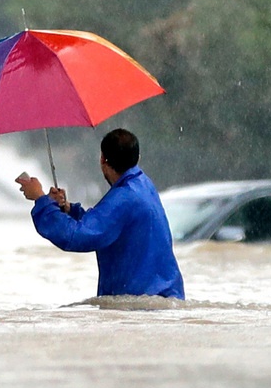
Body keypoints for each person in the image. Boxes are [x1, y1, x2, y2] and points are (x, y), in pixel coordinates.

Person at [16, 128, 184, 299]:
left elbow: (75, 236)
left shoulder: (123, 198)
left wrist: (40, 199)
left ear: (102, 159)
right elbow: (105, 223)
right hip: (167, 296)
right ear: (137, 158)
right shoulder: (143, 184)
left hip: (141, 304)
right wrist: (67, 209)